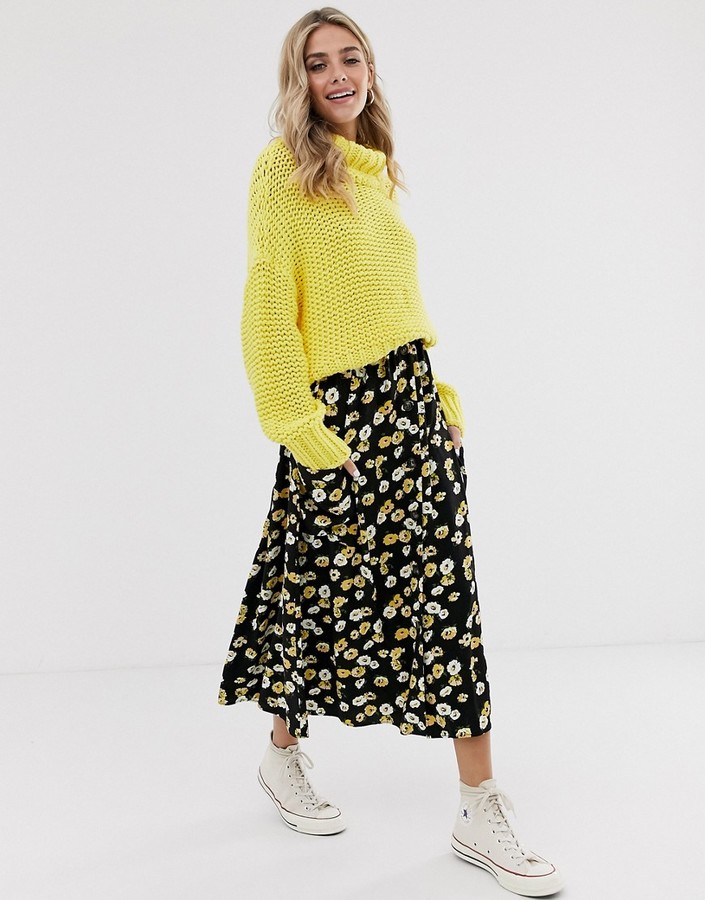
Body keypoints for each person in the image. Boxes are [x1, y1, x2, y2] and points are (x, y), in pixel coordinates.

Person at [217, 7, 564, 896]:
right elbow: (267, 300)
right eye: (317, 63)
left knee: (446, 598)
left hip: (411, 410)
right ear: (297, 80)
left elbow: (388, 299)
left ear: (369, 69)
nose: (338, 73)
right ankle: (280, 754)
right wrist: (296, 425)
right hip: (334, 420)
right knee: (311, 591)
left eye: (351, 57)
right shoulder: (280, 169)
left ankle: (477, 805)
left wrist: (437, 395)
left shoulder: (375, 170)